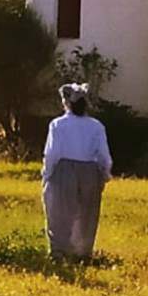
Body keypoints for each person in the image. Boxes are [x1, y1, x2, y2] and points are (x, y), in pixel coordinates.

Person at [42, 83, 112, 261]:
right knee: (87, 213)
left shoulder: (58, 124)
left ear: (66, 103)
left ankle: (59, 251)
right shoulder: (96, 126)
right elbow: (103, 154)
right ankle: (82, 252)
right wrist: (105, 173)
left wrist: (47, 173)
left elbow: (52, 153)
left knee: (59, 212)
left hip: (64, 169)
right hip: (90, 170)